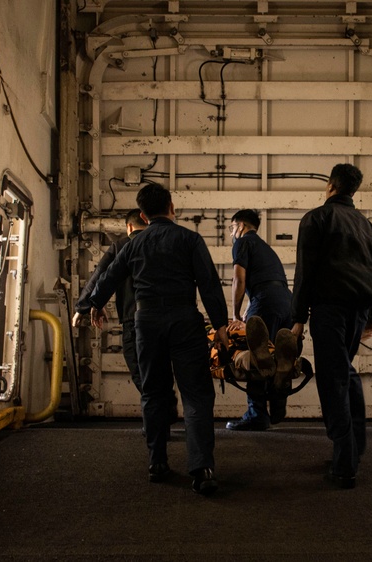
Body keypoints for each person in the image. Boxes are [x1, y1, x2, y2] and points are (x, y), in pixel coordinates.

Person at [87, 182, 230, 495]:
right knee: (196, 395)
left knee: (153, 392)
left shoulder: (133, 244)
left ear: (142, 214)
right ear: (172, 208)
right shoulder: (189, 239)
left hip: (146, 322)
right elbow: (209, 284)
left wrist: (95, 305)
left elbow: (109, 275)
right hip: (183, 320)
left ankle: (157, 462)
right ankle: (202, 468)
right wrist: (220, 326)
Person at [290, 163, 372, 489]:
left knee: (333, 380)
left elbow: (305, 272)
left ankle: (345, 465)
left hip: (329, 310)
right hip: (358, 311)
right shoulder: (366, 225)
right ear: (352, 190)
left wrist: (297, 320)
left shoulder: (316, 218)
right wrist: (371, 315)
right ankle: (354, 448)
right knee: (346, 372)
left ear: (331, 185)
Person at [72, 210, 178, 431]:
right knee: (161, 368)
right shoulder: (163, 244)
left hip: (135, 319)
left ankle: (159, 416)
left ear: (128, 227)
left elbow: (101, 274)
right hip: (167, 320)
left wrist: (85, 306)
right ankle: (166, 411)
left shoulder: (123, 245)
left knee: (140, 370)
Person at [225, 209, 294, 431]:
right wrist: (249, 311)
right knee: (276, 354)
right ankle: (277, 398)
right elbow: (266, 282)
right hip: (286, 303)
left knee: (256, 354)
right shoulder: (266, 248)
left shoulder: (242, 243)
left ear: (241, 226)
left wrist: (236, 315)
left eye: (232, 228)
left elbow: (239, 279)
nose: (231, 233)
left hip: (266, 301)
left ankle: (257, 416)